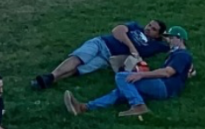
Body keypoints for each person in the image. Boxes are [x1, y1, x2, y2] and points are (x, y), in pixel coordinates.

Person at [64, 29, 192, 119]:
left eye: (170, 38)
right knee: (121, 90)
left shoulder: (182, 55)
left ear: (179, 39)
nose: (167, 40)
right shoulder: (177, 55)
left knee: (122, 76)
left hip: (165, 87)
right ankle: (84, 107)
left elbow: (167, 73)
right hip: (164, 88)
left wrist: (141, 75)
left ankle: (138, 105)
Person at [32, 22, 169, 89]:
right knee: (79, 59)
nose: (148, 29)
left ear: (158, 35)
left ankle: (50, 81)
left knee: (80, 69)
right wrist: (132, 47)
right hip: (101, 43)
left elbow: (175, 45)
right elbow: (117, 31)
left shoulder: (155, 46)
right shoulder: (135, 27)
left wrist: (167, 38)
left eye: (153, 29)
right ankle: (50, 76)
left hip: (107, 59)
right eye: (149, 25)